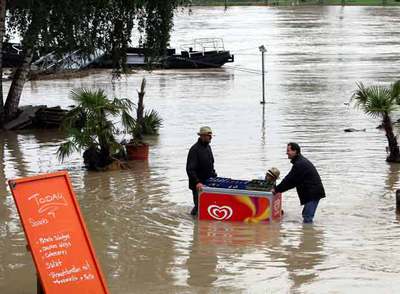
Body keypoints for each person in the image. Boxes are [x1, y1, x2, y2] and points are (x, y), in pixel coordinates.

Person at [273, 142, 325, 223]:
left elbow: (289, 181)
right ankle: (309, 233)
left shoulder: (300, 164)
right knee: (306, 215)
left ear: (295, 151)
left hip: (313, 194)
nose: (286, 153)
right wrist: (278, 189)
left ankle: (309, 234)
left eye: (288, 150)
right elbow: (292, 182)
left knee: (307, 217)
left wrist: (276, 190)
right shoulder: (300, 162)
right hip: (312, 193)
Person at [186, 126, 217, 216]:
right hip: (198, 185)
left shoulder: (208, 147)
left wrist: (214, 176)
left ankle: (198, 224)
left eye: (211, 136)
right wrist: (197, 182)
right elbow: (190, 169)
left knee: (207, 206)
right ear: (202, 136)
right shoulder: (194, 149)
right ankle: (193, 222)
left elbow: (211, 164)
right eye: (209, 136)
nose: (211, 138)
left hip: (208, 182)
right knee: (199, 206)